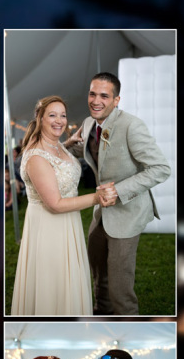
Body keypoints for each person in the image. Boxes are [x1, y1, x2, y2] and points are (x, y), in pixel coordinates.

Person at [65, 72, 171, 315]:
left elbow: (160, 168)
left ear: (116, 100)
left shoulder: (131, 125)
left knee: (119, 290)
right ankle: (102, 316)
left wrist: (119, 191)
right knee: (98, 275)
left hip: (127, 213)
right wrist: (68, 144)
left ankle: (127, 323)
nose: (96, 101)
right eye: (92, 94)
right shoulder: (88, 123)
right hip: (100, 212)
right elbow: (85, 152)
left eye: (104, 96)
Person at [11, 96, 116, 315]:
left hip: (69, 222)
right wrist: (97, 198)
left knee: (68, 280)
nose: (59, 120)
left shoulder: (56, 145)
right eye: (52, 115)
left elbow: (56, 160)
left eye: (63, 115)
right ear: (40, 118)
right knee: (53, 284)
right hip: (50, 228)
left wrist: (68, 144)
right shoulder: (36, 158)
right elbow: (56, 204)